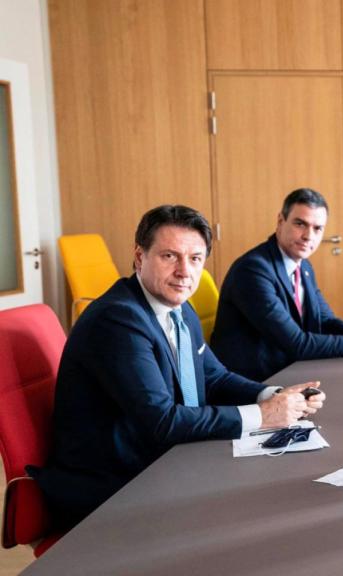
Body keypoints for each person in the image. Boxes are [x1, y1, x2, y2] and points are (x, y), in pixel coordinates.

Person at [30, 205, 325, 530]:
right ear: (140, 258)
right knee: (251, 515)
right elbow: (163, 420)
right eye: (170, 256)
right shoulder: (117, 321)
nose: (185, 271)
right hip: (111, 488)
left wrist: (274, 394)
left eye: (195, 258)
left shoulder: (179, 309)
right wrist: (264, 415)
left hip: (161, 464)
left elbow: (214, 377)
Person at [212, 188, 343, 382]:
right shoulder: (253, 270)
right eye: (300, 224)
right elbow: (297, 343)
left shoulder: (303, 266)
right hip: (255, 382)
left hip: (290, 369)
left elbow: (324, 321)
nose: (309, 236)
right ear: (280, 221)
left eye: (317, 228)